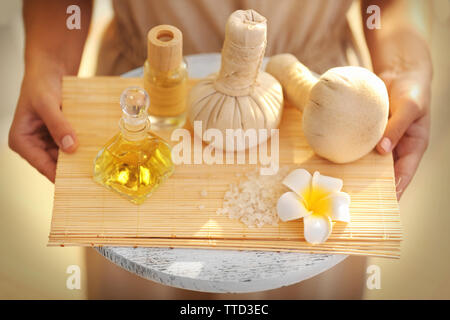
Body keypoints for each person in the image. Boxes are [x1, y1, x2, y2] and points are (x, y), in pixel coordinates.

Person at [9, 0, 432, 299]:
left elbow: (391, 5)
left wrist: (404, 68)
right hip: (143, 75)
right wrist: (48, 62)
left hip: (316, 89)